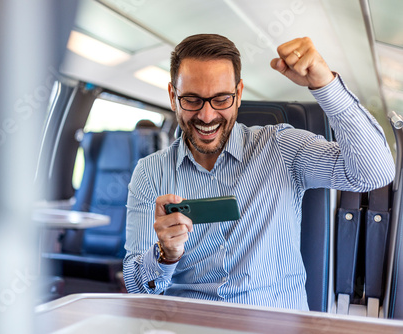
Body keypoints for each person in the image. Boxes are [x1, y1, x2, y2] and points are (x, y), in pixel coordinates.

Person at [123, 34, 395, 311]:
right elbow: (135, 287)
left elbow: (374, 173)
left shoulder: (282, 148)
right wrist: (165, 256)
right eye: (192, 100)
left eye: (221, 99)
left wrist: (325, 84)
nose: (206, 116)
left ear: (239, 94)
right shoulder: (150, 172)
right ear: (172, 96)